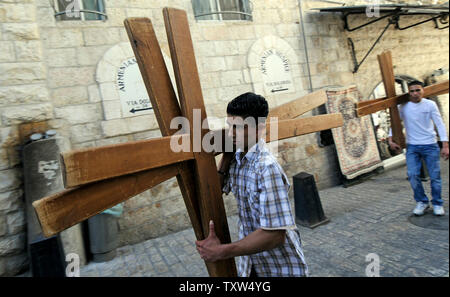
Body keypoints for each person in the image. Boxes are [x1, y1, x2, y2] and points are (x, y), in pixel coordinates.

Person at [195, 92, 308, 277]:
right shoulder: (238, 158)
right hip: (251, 265)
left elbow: (275, 235)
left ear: (259, 129)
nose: (231, 133)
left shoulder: (267, 169)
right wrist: (226, 157)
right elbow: (215, 192)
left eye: (238, 128)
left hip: (279, 268)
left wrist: (221, 251)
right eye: (229, 126)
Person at [388, 80, 449, 216]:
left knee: (435, 177)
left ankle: (437, 203)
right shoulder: (404, 107)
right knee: (413, 175)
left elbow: (440, 124)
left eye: (418, 90)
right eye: (412, 91)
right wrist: (390, 139)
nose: (415, 93)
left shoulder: (430, 104)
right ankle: (422, 202)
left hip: (430, 146)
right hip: (412, 146)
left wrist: (445, 145)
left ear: (423, 90)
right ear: (408, 92)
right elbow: (396, 123)